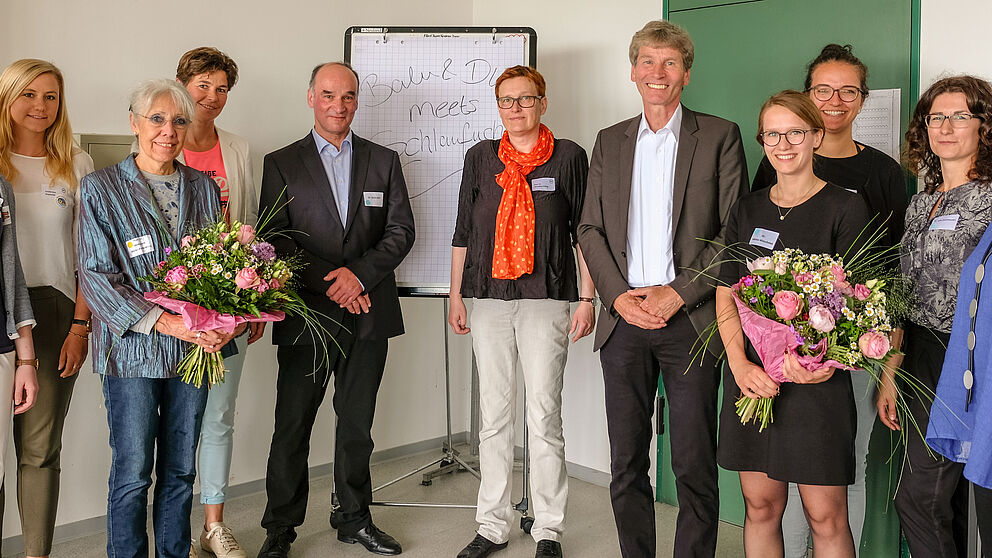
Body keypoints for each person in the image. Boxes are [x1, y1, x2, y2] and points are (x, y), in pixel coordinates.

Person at [577, 19, 748, 558]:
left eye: (669, 63)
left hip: (690, 321)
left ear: (686, 74)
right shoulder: (609, 141)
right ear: (633, 72)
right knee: (626, 461)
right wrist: (618, 297)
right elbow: (588, 229)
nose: (658, 73)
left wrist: (677, 293)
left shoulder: (720, 136)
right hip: (623, 321)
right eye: (647, 62)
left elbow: (732, 235)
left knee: (693, 462)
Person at [749, 44, 909, 558]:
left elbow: (891, 279)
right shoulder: (769, 174)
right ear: (807, 97)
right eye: (823, 89)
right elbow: (748, 271)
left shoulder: (881, 177)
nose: (835, 100)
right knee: (772, 494)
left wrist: (884, 363)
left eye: (848, 90)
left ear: (862, 99)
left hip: (844, 357)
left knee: (834, 490)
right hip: (772, 360)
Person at [256, 61, 414, 558]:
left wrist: (359, 276)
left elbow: (401, 231)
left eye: (347, 96)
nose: (338, 106)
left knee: (356, 427)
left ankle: (354, 518)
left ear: (357, 100)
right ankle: (280, 529)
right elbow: (276, 239)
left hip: (369, 313)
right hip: (308, 315)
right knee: (292, 426)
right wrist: (337, 282)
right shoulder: (281, 162)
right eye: (328, 95)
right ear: (310, 98)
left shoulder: (383, 160)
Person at [78, 79, 237, 558]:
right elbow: (95, 275)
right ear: (135, 123)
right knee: (132, 471)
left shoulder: (204, 189)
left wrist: (217, 322)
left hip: (194, 355)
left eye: (179, 121)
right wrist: (166, 323)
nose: (168, 131)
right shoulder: (101, 188)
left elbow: (221, 268)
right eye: (157, 119)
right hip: (131, 353)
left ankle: (173, 552)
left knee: (180, 468)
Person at [448, 65, 594, 558]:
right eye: (507, 100)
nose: (516, 108)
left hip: (548, 299)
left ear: (543, 102)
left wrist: (587, 298)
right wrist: (455, 295)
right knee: (493, 417)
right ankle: (492, 525)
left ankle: (549, 528)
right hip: (488, 300)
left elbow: (585, 233)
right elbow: (464, 231)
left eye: (525, 99)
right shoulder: (479, 157)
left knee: (544, 416)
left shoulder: (570, 156)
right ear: (498, 106)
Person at [716, 90, 869, 558]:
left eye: (795, 132)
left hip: (814, 384)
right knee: (760, 506)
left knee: (825, 516)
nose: (783, 144)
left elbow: (860, 306)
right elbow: (727, 290)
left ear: (817, 136)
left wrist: (814, 360)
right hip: (754, 379)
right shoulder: (748, 208)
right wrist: (739, 364)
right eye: (772, 134)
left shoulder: (845, 206)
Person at [876, 75, 992, 558]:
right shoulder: (921, 202)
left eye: (959, 115)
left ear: (983, 127)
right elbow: (903, 290)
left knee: (921, 498)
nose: (945, 127)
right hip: (918, 354)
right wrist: (890, 370)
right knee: (940, 497)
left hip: (965, 359)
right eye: (935, 117)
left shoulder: (989, 201)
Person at [0, 58, 92, 558]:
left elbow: (89, 257)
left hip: (55, 313)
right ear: (8, 98)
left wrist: (81, 325)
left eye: (51, 97)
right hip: (0, 315)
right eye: (29, 95)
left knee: (39, 450)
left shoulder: (75, 165)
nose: (40, 106)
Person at [174, 46, 260, 558]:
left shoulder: (240, 149)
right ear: (182, 84)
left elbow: (247, 227)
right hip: (174, 308)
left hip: (228, 305)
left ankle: (214, 524)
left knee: (219, 416)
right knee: (174, 419)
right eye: (203, 85)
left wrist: (252, 304)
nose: (212, 96)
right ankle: (173, 523)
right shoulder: (160, 139)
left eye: (222, 88)